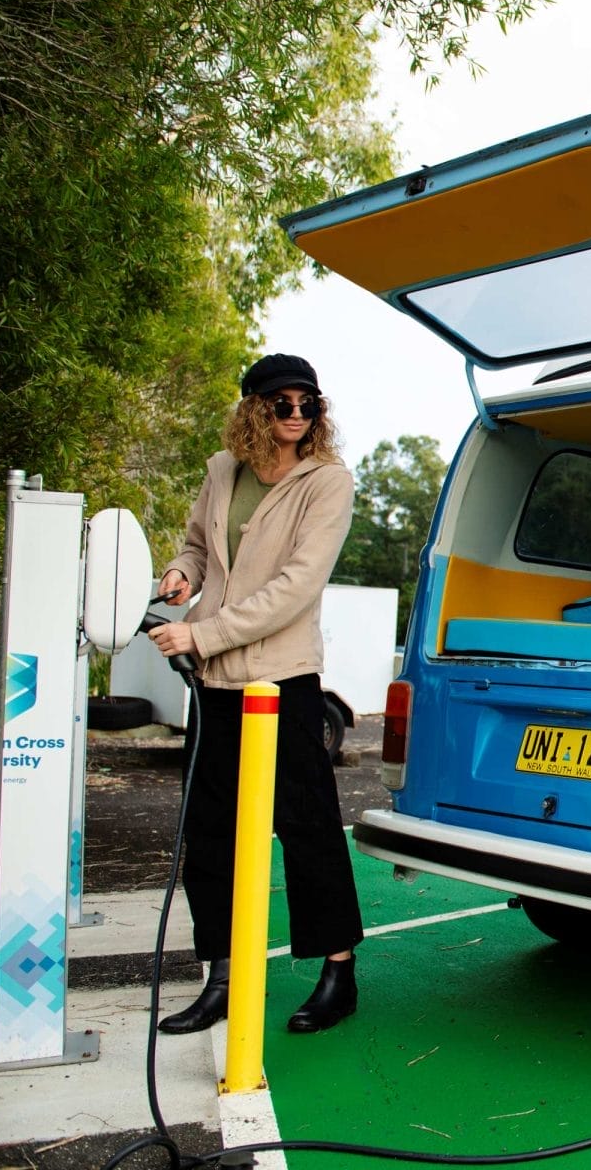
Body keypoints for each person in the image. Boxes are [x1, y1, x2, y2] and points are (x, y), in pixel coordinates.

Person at [148, 353, 365, 1036]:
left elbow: (297, 586)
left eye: (308, 403)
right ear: (253, 408)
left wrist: (201, 632)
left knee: (306, 825)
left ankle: (337, 971)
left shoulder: (327, 482)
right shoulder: (224, 470)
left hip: (282, 677)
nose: (297, 414)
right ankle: (223, 976)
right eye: (282, 403)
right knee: (209, 831)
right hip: (215, 682)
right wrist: (182, 577)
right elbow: (197, 547)